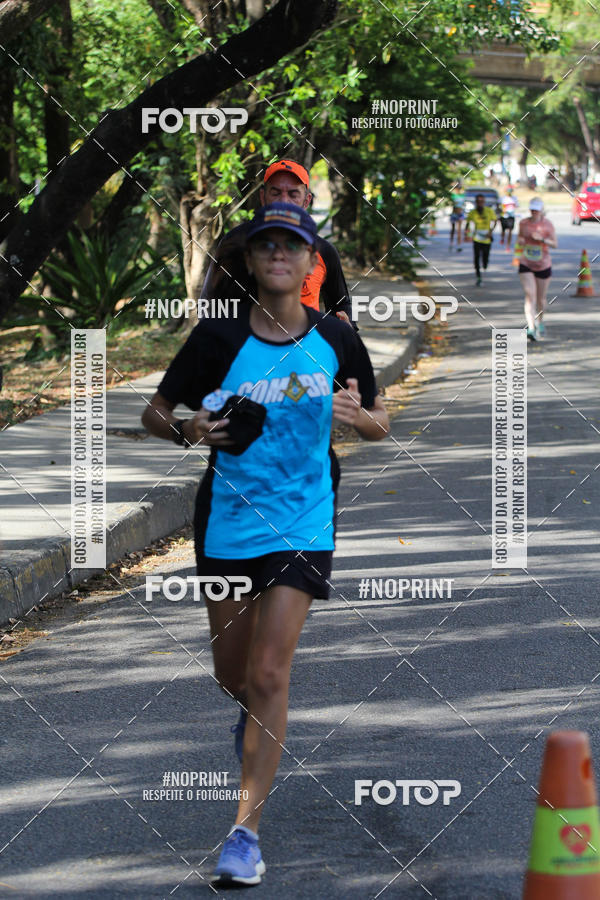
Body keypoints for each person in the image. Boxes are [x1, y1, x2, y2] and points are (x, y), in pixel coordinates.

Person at [141, 202, 390, 886]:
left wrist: (358, 416)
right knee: (237, 676)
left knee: (271, 674)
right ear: (251, 262)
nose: (279, 254)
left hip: (305, 522)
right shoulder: (218, 338)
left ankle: (244, 833)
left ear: (311, 264)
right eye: (266, 245)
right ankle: (254, 723)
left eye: (292, 246)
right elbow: (156, 412)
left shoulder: (337, 336)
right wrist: (190, 430)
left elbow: (380, 419)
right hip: (226, 523)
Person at [201, 159, 353, 324]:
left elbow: (341, 305)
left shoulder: (323, 251)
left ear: (307, 200)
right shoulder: (235, 243)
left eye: (293, 194)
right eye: (275, 192)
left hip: (303, 348)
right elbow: (210, 301)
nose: (284, 201)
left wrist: (346, 327)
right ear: (263, 197)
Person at [517, 197, 557, 341]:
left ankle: (540, 322)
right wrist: (521, 241)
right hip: (526, 263)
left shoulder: (547, 225)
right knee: (530, 295)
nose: (534, 212)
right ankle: (531, 327)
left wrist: (542, 239)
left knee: (541, 299)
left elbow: (554, 244)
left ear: (541, 211)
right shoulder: (523, 223)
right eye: (532, 210)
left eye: (536, 210)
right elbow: (520, 238)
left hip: (543, 264)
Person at [465, 193, 496, 286]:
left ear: (484, 202)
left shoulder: (489, 211)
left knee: (485, 256)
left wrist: (490, 231)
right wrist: (467, 234)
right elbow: (468, 224)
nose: (480, 203)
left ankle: (485, 265)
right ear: (476, 202)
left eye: (481, 201)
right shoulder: (472, 212)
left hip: (486, 237)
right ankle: (478, 276)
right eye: (478, 202)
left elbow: (494, 221)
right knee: (477, 257)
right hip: (477, 237)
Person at [449, 181, 466, 252]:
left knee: (459, 230)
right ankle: (451, 243)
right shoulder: (453, 196)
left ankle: (459, 245)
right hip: (454, 213)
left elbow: (463, 205)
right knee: (453, 229)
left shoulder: (462, 196)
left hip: (460, 214)